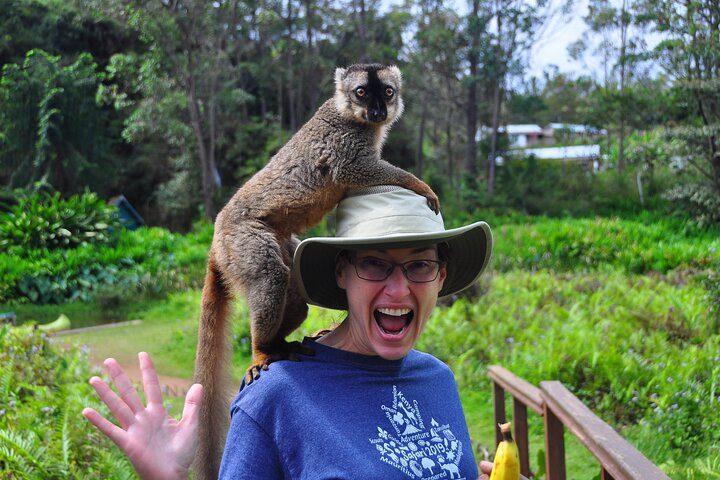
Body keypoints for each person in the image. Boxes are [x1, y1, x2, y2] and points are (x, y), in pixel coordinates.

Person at [83, 185, 505, 479]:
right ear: (342, 273)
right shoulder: (275, 398)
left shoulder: (438, 379)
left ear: (440, 276)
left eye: (419, 265)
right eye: (374, 263)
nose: (398, 288)